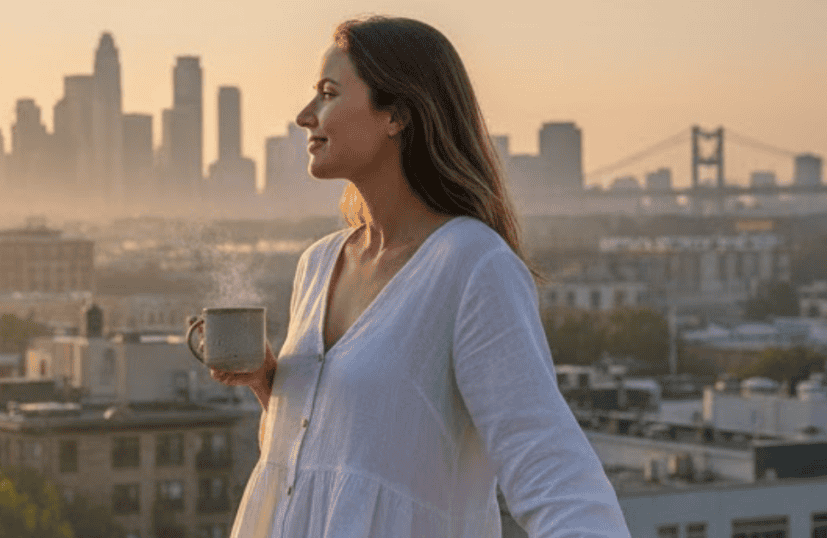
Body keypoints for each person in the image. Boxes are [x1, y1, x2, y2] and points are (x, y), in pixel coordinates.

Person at [208, 15, 631, 538]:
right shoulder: (317, 263)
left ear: (397, 116)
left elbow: (549, 467)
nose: (303, 116)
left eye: (328, 93)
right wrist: (272, 387)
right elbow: (326, 460)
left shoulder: (473, 265)